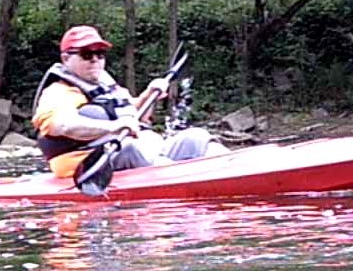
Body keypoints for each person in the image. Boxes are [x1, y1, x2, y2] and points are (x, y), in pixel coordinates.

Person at [31, 25, 223, 184]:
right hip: (90, 165)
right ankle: (191, 183)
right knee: (129, 148)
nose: (95, 60)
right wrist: (112, 127)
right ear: (66, 59)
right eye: (87, 54)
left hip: (142, 152)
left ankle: (230, 168)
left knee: (195, 137)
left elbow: (136, 115)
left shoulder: (105, 85)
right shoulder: (58, 92)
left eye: (100, 54)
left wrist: (149, 93)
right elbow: (62, 125)